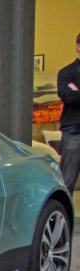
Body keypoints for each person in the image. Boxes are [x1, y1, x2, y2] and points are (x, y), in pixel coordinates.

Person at [57, 32, 80, 193]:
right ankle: (64, 216)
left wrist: (77, 91)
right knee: (68, 181)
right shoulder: (66, 73)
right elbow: (68, 98)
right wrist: (74, 94)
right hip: (74, 132)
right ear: (78, 47)